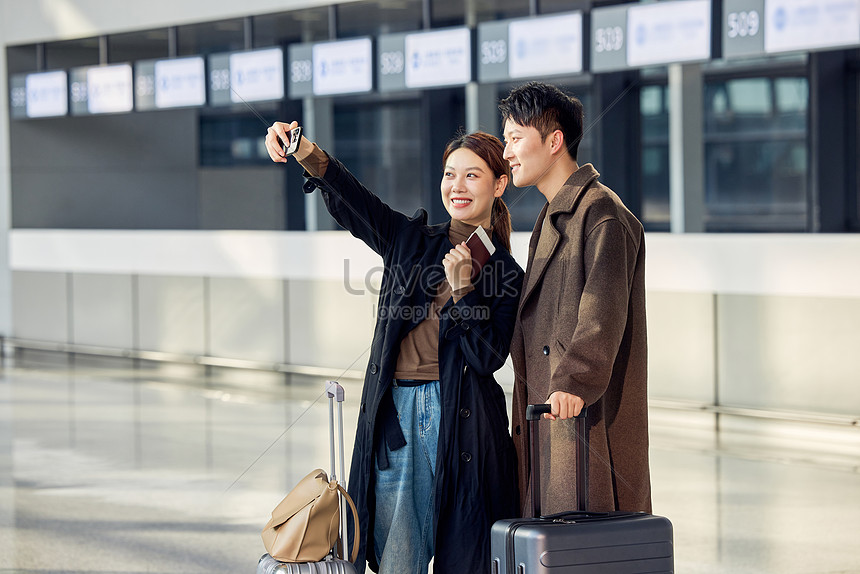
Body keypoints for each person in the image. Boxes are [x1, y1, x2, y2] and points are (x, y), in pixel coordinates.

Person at [265, 124, 524, 574]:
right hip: (399, 415)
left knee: (465, 553)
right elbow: (355, 202)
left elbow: (488, 357)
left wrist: (464, 291)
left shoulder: (507, 272)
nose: (456, 186)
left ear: (499, 184)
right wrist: (303, 150)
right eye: (449, 174)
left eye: (472, 175)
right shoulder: (411, 240)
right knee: (397, 556)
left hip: (465, 422)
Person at [499, 82, 652, 516]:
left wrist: (573, 381)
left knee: (586, 535)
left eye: (515, 138)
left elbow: (602, 313)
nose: (506, 152)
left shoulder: (602, 213)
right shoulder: (551, 215)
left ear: (554, 141)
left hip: (579, 414)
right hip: (553, 413)